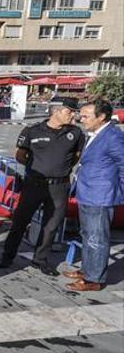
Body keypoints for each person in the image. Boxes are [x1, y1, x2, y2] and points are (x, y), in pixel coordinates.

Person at [0, 100, 84, 275]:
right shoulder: (32, 131)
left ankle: (40, 260)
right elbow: (20, 155)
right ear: (56, 111)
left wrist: (59, 169)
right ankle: (7, 257)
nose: (73, 115)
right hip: (34, 185)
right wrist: (39, 168)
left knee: (51, 226)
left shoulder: (75, 133)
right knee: (20, 222)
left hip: (59, 186)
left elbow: (77, 156)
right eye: (69, 111)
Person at [65, 100, 124, 291]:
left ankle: (94, 279)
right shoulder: (96, 134)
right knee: (88, 234)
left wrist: (118, 191)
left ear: (101, 116)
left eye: (86, 116)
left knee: (97, 238)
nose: (81, 119)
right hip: (87, 192)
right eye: (81, 115)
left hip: (100, 195)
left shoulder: (113, 136)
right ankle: (87, 270)